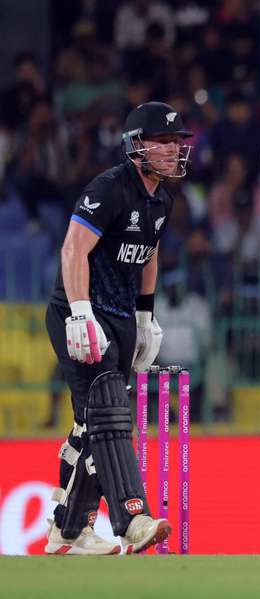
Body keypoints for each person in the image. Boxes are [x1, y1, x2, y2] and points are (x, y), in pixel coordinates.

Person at [43, 101, 191, 555]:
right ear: (136, 146)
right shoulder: (109, 188)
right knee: (109, 407)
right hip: (81, 312)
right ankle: (133, 518)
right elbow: (73, 249)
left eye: (176, 142)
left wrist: (146, 316)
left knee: (92, 424)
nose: (172, 150)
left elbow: (148, 255)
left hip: (123, 317)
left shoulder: (163, 199)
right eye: (162, 142)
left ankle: (69, 530)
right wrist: (81, 311)